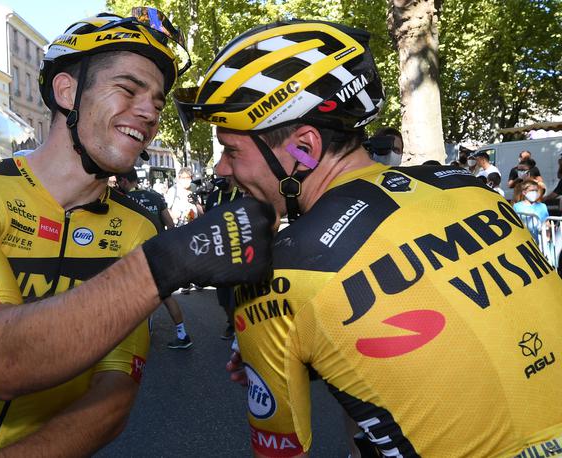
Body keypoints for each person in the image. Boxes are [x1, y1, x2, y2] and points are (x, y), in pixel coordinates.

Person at [0, 9, 276, 458]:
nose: (150, 112)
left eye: (157, 99)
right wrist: (172, 259)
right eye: (129, 89)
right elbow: (2, 359)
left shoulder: (139, 226)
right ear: (67, 92)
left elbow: (115, 392)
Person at [174, 18, 562, 457]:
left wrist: (280, 338)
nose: (222, 169)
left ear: (305, 147)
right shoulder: (466, 188)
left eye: (232, 150)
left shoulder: (277, 275)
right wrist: (321, 347)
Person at [116, 169, 193, 349]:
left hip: (134, 254)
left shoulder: (122, 200)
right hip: (158, 252)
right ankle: (182, 333)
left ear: (124, 181)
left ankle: (137, 335)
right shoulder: (156, 197)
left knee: (133, 294)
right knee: (164, 294)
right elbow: (170, 224)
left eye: (119, 181)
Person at [204, 176, 243, 339]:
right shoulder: (213, 197)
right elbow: (206, 220)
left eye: (224, 176)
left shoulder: (242, 195)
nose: (221, 179)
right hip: (218, 253)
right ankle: (231, 322)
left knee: (237, 294)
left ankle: (240, 327)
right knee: (223, 297)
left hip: (238, 253)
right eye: (218, 176)